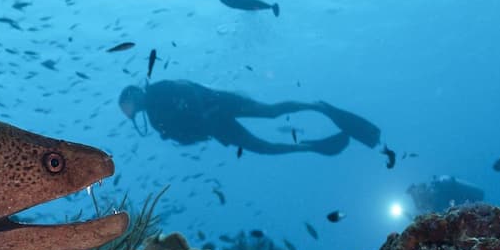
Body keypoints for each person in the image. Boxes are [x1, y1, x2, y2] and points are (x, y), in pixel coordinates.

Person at [118, 79, 382, 157]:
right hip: (217, 126)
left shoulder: (160, 89)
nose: (130, 113)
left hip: (221, 104)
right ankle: (313, 146)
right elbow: (183, 136)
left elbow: (190, 90)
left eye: (127, 106)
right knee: (263, 148)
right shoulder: (154, 120)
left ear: (134, 94)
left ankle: (318, 107)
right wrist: (200, 131)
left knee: (270, 111)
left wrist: (202, 116)